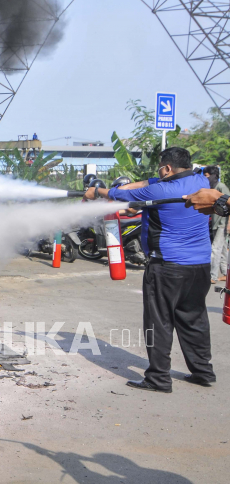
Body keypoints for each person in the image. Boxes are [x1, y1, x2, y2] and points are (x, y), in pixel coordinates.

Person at [84, 147, 216, 392]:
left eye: (160, 169)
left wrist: (97, 191)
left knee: (159, 323)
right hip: (199, 267)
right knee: (194, 319)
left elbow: (120, 195)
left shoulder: (160, 191)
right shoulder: (200, 181)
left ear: (167, 168)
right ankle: (202, 372)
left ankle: (158, 378)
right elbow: (147, 183)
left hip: (167, 267)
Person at [202, 166, 229, 283]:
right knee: (223, 250)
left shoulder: (221, 187)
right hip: (215, 223)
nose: (205, 178)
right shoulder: (210, 188)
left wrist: (229, 224)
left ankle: (212, 276)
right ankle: (226, 274)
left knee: (215, 249)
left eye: (207, 176)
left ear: (214, 176)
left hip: (223, 223)